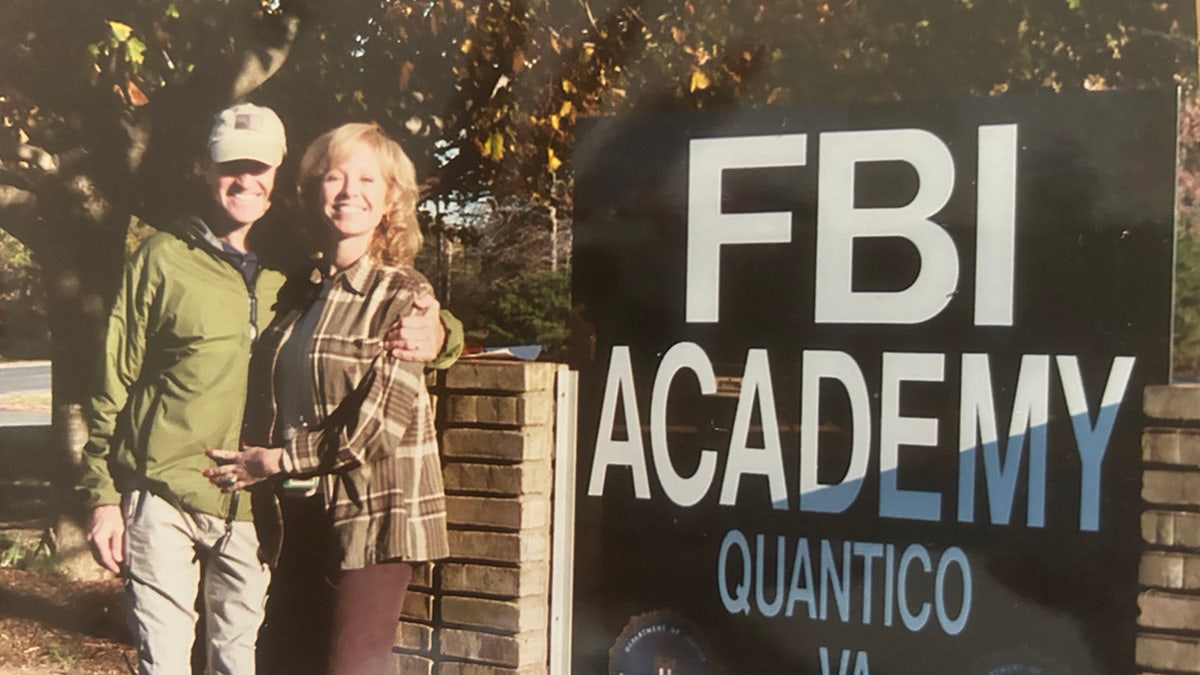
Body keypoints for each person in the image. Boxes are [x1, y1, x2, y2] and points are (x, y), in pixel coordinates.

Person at [78, 104, 457, 675]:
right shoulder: (271, 278)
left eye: (259, 167)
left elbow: (383, 404)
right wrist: (104, 495)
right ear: (206, 169)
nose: (245, 179)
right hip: (231, 503)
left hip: (327, 511)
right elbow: (114, 381)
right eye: (334, 177)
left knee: (317, 663)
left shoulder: (345, 280)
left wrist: (444, 332)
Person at [203, 122, 450, 675]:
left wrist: (278, 459)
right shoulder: (300, 293)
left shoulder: (405, 295)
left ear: (390, 200)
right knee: (283, 663)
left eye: (367, 179)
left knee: (350, 666)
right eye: (335, 177)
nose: (348, 191)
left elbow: (378, 427)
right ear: (315, 192)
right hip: (299, 516)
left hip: (374, 517)